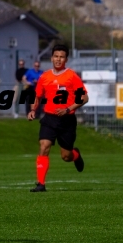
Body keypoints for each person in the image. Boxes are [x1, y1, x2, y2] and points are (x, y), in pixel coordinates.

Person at [27, 44, 88, 192]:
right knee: (44, 146)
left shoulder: (72, 76)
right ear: (52, 58)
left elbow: (84, 98)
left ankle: (75, 154)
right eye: (56, 56)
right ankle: (41, 184)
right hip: (49, 118)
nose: (58, 59)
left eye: (62, 57)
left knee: (65, 156)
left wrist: (68, 109)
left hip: (67, 120)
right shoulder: (45, 77)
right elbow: (38, 96)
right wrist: (33, 109)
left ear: (66, 59)